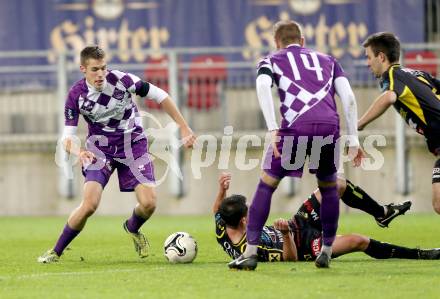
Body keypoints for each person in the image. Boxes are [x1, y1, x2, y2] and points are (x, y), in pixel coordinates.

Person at [37, 46, 196, 263]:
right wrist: (79, 151)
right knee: (90, 204)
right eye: (95, 69)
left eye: (103, 68)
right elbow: (66, 139)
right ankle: (55, 251)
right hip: (99, 149)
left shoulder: (122, 81)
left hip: (133, 145)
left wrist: (184, 127)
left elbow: (162, 96)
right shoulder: (76, 95)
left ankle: (132, 227)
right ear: (83, 69)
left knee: (149, 204)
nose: (101, 74)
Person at [228, 20, 364, 270]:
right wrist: (353, 138)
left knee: (267, 184)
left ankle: (250, 252)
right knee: (328, 187)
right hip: (328, 127)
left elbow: (261, 86)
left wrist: (272, 128)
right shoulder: (329, 60)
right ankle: (326, 250)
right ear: (302, 41)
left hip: (295, 129)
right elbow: (349, 98)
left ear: (276, 43)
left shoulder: (271, 60)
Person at [214, 173, 439, 265]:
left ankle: (382, 213)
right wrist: (284, 234)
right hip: (304, 247)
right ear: (244, 221)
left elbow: (217, 210)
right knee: (358, 241)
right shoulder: (252, 248)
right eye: (250, 211)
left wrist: (221, 191)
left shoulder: (223, 227)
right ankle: (418, 253)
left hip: (298, 223)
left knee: (336, 184)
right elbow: (289, 260)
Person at [358, 32, 440, 215]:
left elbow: (388, 97)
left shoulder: (392, 75)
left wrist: (359, 124)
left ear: (381, 57)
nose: (367, 63)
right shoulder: (416, 74)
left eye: (369, 57)